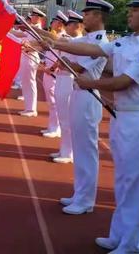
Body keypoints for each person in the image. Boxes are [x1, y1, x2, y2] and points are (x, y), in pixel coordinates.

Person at [45, 0, 139, 253]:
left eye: (135, 9)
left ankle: (132, 243)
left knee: (135, 182)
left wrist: (91, 83)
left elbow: (124, 82)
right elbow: (96, 51)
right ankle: (119, 236)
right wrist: (55, 41)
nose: (129, 14)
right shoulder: (126, 42)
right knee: (123, 180)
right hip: (121, 118)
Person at [60, 0, 113, 215]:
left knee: (86, 150)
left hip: (88, 96)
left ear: (98, 16)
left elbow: (77, 68)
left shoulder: (100, 42)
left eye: (87, 13)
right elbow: (65, 43)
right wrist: (37, 36)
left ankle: (86, 200)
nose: (83, 17)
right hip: (78, 95)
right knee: (79, 148)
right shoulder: (90, 39)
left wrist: (59, 56)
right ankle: (79, 193)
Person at [49, 10, 84, 163]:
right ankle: (64, 149)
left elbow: (79, 66)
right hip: (61, 79)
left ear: (78, 26)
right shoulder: (69, 40)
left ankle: (69, 152)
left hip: (69, 81)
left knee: (68, 119)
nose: (66, 27)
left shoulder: (80, 43)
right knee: (63, 118)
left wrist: (65, 65)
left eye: (69, 24)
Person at [39, 10, 69, 138]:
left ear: (60, 24)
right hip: (48, 70)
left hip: (54, 72)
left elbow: (61, 56)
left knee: (54, 102)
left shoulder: (63, 37)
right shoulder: (55, 34)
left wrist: (51, 69)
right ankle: (52, 126)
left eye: (54, 21)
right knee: (50, 102)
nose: (52, 23)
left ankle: (56, 128)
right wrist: (45, 65)